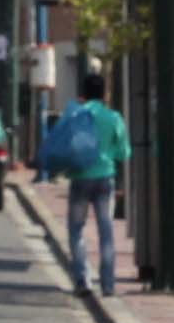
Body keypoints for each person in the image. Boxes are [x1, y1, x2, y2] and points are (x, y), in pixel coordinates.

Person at [36, 65, 132, 295]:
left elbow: (61, 142)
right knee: (106, 231)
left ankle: (83, 279)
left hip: (79, 179)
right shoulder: (113, 118)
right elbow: (124, 153)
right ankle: (108, 285)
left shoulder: (76, 114)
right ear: (104, 94)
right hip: (105, 179)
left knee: (76, 230)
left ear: (83, 94)